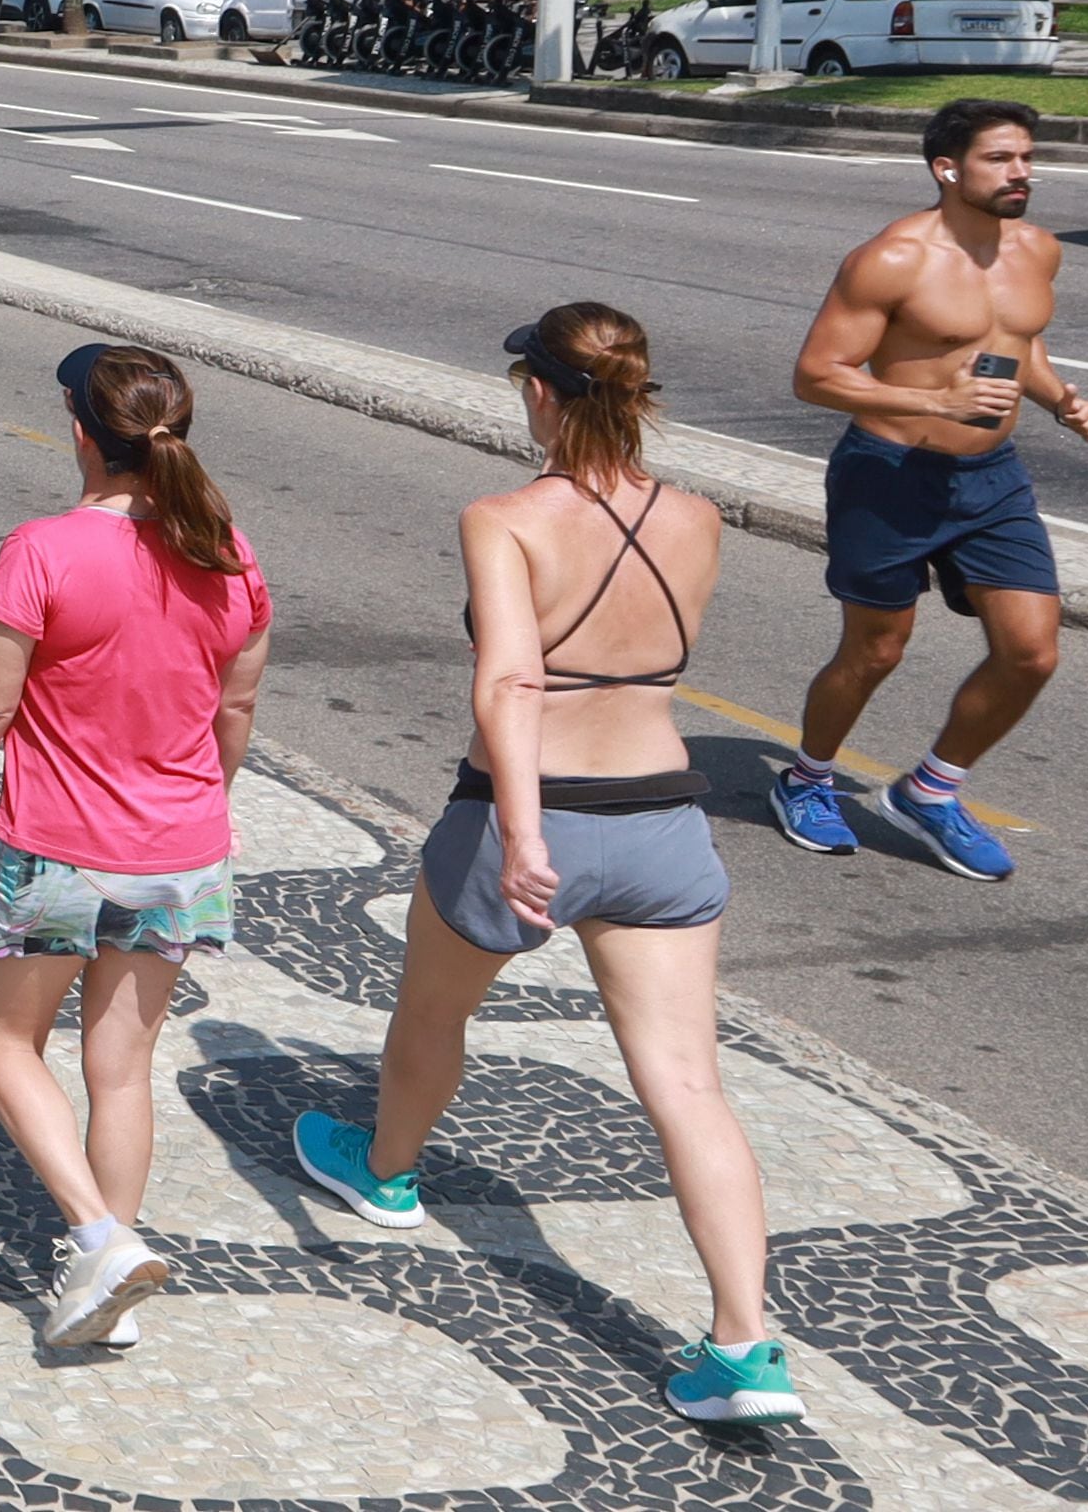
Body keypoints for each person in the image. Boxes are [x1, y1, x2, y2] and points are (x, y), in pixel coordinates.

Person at [289, 304, 804, 1427]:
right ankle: (745, 1341)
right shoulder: (699, 516)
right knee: (686, 1083)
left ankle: (382, 1169)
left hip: (527, 811)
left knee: (431, 1015)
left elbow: (510, 682)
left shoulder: (502, 515)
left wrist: (523, 832)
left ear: (538, 392)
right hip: (663, 815)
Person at [0, 343, 272, 1353]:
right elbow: (236, 704)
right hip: (182, 844)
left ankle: (95, 1239)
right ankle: (106, 1271)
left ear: (79, 430)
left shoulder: (40, 548)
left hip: (57, 847)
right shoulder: (230, 552)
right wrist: (203, 803)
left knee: (1, 1039)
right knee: (119, 1064)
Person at [772, 98, 1088, 879]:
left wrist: (1060, 400)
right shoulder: (890, 259)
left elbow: (1017, 344)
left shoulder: (1036, 249)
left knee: (1030, 653)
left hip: (992, 480)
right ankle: (807, 779)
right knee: (875, 650)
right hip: (889, 475)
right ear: (946, 168)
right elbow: (815, 376)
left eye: (1026, 156)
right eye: (1000, 158)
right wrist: (935, 401)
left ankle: (930, 791)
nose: (1020, 172)